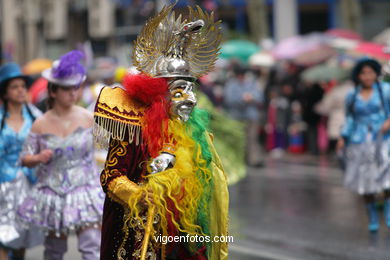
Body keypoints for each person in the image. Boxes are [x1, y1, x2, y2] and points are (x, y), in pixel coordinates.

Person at [94, 4, 229, 259]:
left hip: (185, 232)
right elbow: (111, 177)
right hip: (142, 233)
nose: (189, 99)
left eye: (191, 90)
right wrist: (139, 195)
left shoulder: (195, 131)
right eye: (179, 91)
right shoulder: (132, 125)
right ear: (158, 93)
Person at [17, 50, 104, 259]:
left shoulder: (89, 118)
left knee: (91, 247)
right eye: (66, 89)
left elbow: (108, 148)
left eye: (75, 87)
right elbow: (24, 158)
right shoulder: (40, 123)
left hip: (86, 190)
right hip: (53, 193)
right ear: (54, 92)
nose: (73, 93)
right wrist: (37, 158)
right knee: (54, 251)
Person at [337, 58, 390, 232]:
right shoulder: (352, 95)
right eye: (363, 73)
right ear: (358, 76)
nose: (367, 76)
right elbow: (349, 118)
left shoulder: (385, 90)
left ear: (376, 74)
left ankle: (388, 213)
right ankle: (372, 216)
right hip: (360, 141)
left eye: (370, 72)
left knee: (387, 178)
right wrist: (343, 136)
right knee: (366, 181)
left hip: (383, 140)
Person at [0, 63, 43, 260]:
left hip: (28, 186)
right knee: (3, 238)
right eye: (14, 87)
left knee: (20, 242)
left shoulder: (35, 116)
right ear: (5, 92)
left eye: (22, 86)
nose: (20, 90)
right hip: (3, 187)